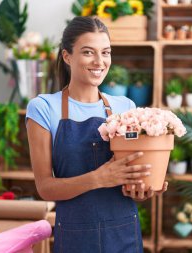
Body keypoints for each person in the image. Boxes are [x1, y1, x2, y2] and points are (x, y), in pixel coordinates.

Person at [26, 16, 168, 253]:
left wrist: (143, 188)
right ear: (67, 56)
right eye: (89, 52)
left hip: (124, 234)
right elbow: (45, 188)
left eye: (106, 52)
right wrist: (99, 178)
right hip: (75, 238)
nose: (100, 61)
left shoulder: (126, 107)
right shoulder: (43, 108)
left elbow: (129, 180)